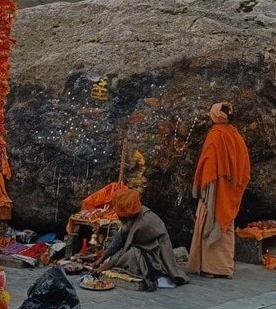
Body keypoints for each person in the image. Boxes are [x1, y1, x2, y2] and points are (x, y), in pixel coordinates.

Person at [188, 101, 250, 279]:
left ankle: (211, 268)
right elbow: (244, 166)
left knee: (211, 221)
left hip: (215, 188)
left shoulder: (215, 135)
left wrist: (206, 184)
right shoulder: (235, 134)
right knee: (226, 224)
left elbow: (207, 162)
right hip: (230, 189)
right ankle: (224, 267)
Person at [91, 189, 189, 290]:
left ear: (127, 216)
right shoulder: (129, 219)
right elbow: (119, 240)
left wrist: (105, 266)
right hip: (141, 249)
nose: (118, 216)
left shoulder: (144, 223)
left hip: (155, 257)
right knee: (114, 256)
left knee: (132, 255)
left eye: (120, 215)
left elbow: (128, 249)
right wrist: (101, 259)